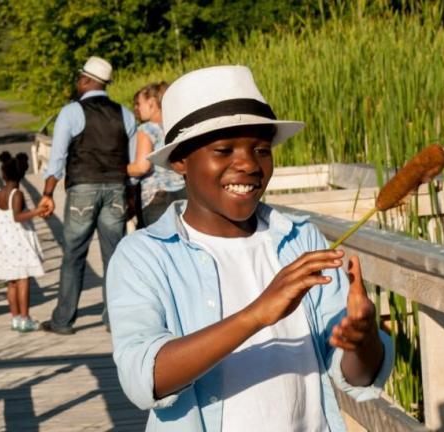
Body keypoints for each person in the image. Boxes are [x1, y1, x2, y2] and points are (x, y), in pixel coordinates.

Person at [107, 66, 394, 431]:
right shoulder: (144, 255)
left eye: (261, 150)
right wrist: (257, 314)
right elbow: (143, 379)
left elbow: (357, 375)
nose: (248, 164)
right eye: (223, 150)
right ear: (180, 160)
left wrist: (363, 336)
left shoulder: (301, 240)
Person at [39, 56, 136, 335]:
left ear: (84, 80)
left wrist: (47, 193)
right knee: (114, 256)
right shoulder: (125, 114)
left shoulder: (71, 112)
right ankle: (113, 319)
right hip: (116, 188)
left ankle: (63, 320)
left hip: (82, 188)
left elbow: (56, 159)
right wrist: (129, 194)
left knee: (73, 255)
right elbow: (130, 162)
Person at [0, 152, 46, 332]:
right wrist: (37, 211)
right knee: (23, 280)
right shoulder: (17, 194)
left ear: (4, 174)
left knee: (11, 282)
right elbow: (17, 217)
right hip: (18, 242)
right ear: (22, 174)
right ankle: (25, 318)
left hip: (5, 243)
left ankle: (15, 318)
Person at [127, 82, 185, 226]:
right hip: (184, 193)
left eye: (139, 103)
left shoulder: (147, 129)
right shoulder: (177, 127)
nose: (136, 108)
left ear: (152, 103)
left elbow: (142, 167)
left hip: (157, 196)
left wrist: (117, 169)